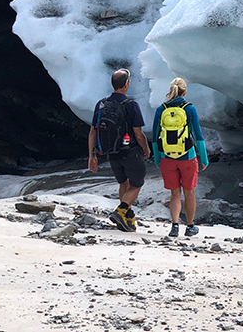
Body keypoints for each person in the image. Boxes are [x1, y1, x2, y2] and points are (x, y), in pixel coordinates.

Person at [88, 68, 151, 232]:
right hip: (130, 151)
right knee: (136, 184)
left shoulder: (102, 104)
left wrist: (92, 155)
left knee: (124, 183)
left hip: (111, 152)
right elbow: (138, 133)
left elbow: (93, 131)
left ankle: (127, 219)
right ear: (127, 84)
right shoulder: (131, 105)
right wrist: (146, 149)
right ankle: (121, 210)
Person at [151, 77, 209, 237]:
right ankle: (190, 226)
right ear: (184, 91)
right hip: (187, 157)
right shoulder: (189, 109)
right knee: (189, 192)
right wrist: (204, 158)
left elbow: (155, 137)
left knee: (175, 193)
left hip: (167, 157)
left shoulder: (161, 109)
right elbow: (198, 135)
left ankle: (175, 226)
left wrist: (157, 159)